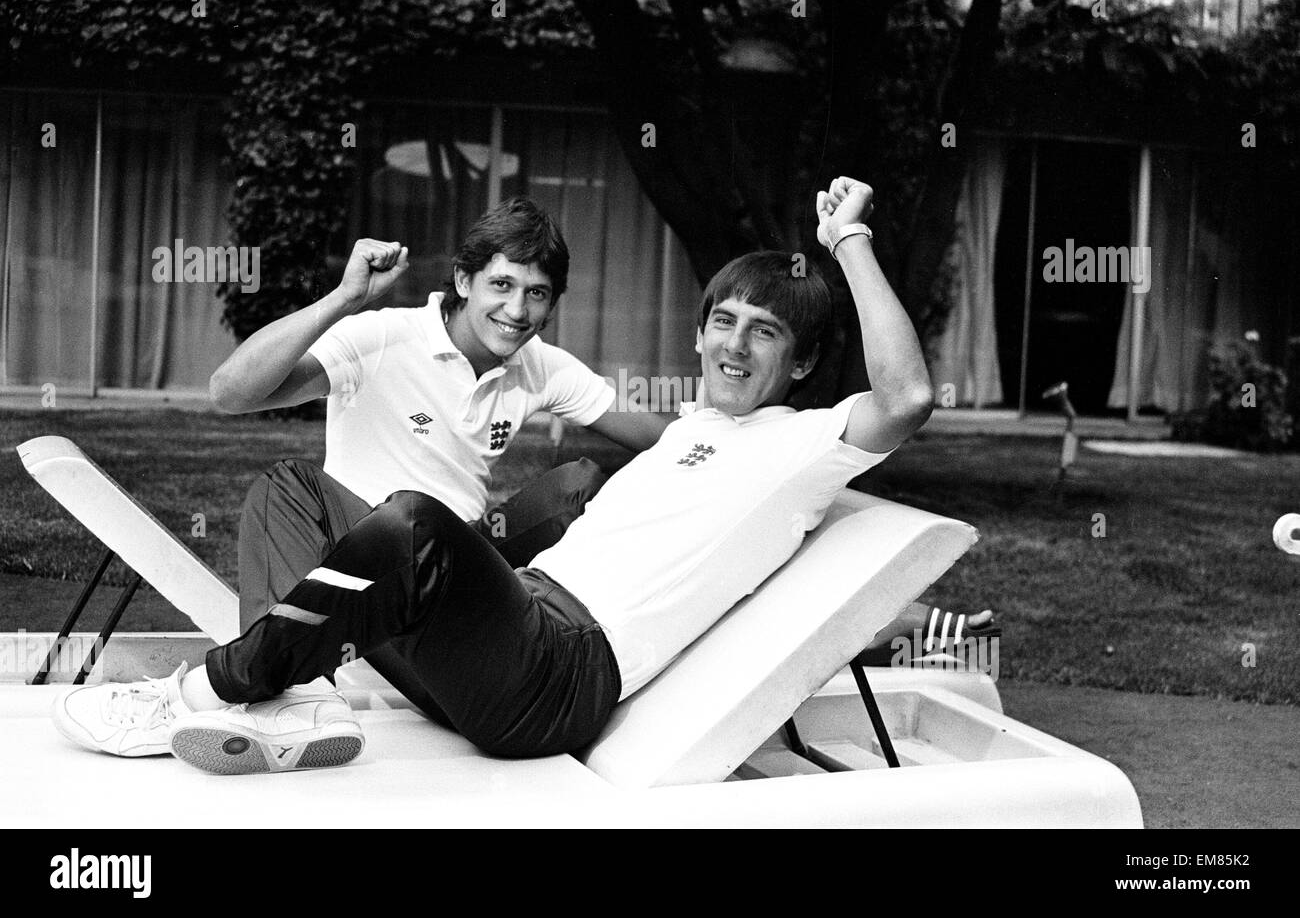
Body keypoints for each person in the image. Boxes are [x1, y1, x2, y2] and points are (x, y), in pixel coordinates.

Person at [52, 177, 987, 772]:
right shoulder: (694, 430)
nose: (736, 344)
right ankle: (284, 693)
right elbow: (232, 392)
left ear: (804, 359)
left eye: (767, 331)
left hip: (558, 673)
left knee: (414, 521)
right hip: (517, 623)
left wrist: (848, 243)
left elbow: (905, 397)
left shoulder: (805, 444)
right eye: (725, 322)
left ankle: (198, 694)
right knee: (330, 502)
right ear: (700, 333)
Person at [208, 197, 672, 719]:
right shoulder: (382, 336)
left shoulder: (540, 366)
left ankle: (578, 638)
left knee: (579, 485)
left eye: (536, 294)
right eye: (502, 285)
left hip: (462, 561)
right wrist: (343, 299)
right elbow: (230, 393)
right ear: (464, 280)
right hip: (369, 562)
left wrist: (758, 428)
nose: (517, 311)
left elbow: (664, 441)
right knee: (288, 485)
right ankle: (283, 693)